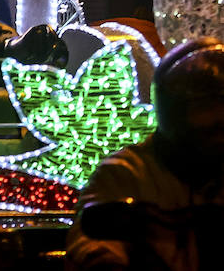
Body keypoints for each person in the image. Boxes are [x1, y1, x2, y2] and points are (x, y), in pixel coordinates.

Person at [66, 38, 224, 271]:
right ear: (173, 111)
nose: (219, 120)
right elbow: (91, 244)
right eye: (205, 108)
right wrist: (105, 259)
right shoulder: (126, 173)